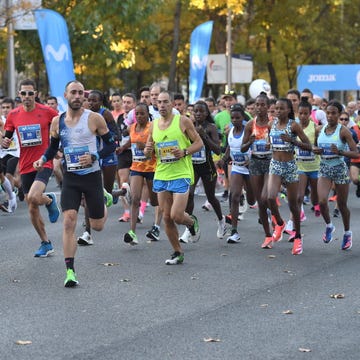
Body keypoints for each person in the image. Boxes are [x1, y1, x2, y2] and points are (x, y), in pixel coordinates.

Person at [33, 80, 116, 287]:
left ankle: (106, 198)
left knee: (97, 226)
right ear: (65, 95)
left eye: (81, 93)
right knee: (69, 221)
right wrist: (43, 160)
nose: (78, 96)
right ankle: (70, 271)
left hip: (92, 177)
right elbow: (53, 149)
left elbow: (111, 144)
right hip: (71, 177)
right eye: (74, 92)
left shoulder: (94, 119)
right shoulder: (57, 121)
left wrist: (95, 156)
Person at [2, 79, 60, 257]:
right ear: (19, 95)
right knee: (31, 204)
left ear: (36, 94)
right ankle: (45, 242)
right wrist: (5, 141)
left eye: (30, 93)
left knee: (34, 197)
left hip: (44, 161)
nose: (27, 97)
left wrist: (57, 147)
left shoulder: (48, 112)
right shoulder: (13, 115)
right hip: (26, 164)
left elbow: (61, 125)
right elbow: (8, 138)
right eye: (23, 93)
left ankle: (49, 201)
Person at [144, 91, 203, 265]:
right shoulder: (153, 125)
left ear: (171, 104)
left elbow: (199, 143)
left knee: (177, 215)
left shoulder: (182, 121)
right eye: (159, 102)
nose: (161, 105)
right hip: (162, 174)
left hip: (181, 173)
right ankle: (177, 252)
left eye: (165, 102)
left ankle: (191, 222)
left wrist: (184, 152)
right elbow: (150, 152)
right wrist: (147, 152)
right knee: (167, 217)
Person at [266, 98, 311, 255]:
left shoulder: (293, 125)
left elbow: (308, 145)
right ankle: (279, 223)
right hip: (275, 164)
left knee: (293, 204)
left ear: (288, 110)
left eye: (281, 109)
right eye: (276, 108)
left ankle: (298, 237)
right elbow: (269, 140)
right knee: (270, 198)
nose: (278, 111)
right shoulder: (271, 124)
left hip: (290, 166)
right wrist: (268, 144)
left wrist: (292, 140)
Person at [313, 100, 359, 250]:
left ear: (339, 115)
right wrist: (316, 150)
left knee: (343, 205)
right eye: (328, 113)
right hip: (325, 167)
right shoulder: (320, 129)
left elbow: (355, 152)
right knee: (321, 201)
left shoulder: (343, 131)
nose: (330, 116)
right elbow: (315, 145)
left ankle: (347, 233)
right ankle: (329, 225)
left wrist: (340, 152)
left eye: (334, 113)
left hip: (339, 168)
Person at [179, 100, 226, 243]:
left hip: (207, 166)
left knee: (211, 197)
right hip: (192, 166)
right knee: (190, 194)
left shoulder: (211, 127)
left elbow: (217, 150)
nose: (198, 114)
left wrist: (204, 136)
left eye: (202, 111)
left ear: (207, 113)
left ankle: (221, 220)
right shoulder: (189, 126)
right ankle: (189, 228)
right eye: (196, 111)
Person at [121, 102, 162, 244]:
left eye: (142, 113)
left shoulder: (153, 127)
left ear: (147, 115)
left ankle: (156, 227)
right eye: (136, 114)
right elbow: (131, 143)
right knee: (134, 198)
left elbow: (159, 147)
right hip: (137, 168)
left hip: (152, 168)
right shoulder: (132, 127)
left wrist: (144, 147)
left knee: (155, 200)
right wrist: (122, 148)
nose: (139, 116)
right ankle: (132, 232)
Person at [219, 104, 255, 243]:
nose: (234, 120)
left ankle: (264, 210)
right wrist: (223, 159)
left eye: (238, 117)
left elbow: (255, 146)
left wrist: (253, 160)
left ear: (243, 117)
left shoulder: (249, 130)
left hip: (250, 168)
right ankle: (234, 231)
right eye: (232, 118)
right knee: (234, 196)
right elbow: (230, 147)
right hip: (237, 167)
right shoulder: (231, 131)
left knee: (252, 200)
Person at [242, 93, 272, 248]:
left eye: (262, 105)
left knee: (266, 197)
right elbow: (242, 148)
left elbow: (281, 144)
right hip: (255, 162)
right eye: (257, 105)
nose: (259, 108)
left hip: (270, 162)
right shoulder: (249, 124)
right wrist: (249, 141)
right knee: (260, 201)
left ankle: (275, 218)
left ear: (268, 107)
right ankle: (268, 235)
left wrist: (271, 145)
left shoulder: (273, 124)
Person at [0, 97, 18, 212]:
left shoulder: (18, 119)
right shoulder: (0, 120)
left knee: (9, 176)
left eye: (8, 107)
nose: (5, 110)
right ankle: (16, 191)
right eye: (3, 107)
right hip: (2, 153)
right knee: (3, 177)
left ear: (13, 108)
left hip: (15, 153)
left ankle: (9, 200)